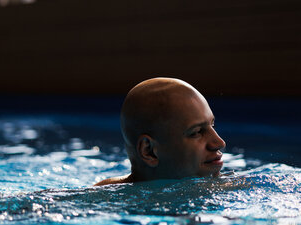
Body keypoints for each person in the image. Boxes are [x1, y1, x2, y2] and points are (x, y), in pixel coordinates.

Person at [94, 78, 226, 186]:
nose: (219, 143)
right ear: (149, 151)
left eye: (212, 125)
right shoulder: (97, 204)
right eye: (196, 132)